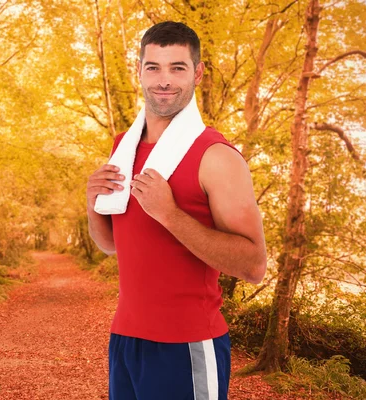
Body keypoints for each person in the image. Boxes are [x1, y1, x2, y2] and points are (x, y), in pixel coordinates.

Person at [86, 21, 267, 400]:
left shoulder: (216, 156)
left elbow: (253, 266)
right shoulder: (124, 147)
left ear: (197, 73)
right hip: (126, 340)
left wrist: (169, 214)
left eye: (177, 68)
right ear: (139, 72)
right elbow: (111, 246)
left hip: (187, 345)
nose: (163, 80)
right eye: (153, 67)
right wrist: (92, 203)